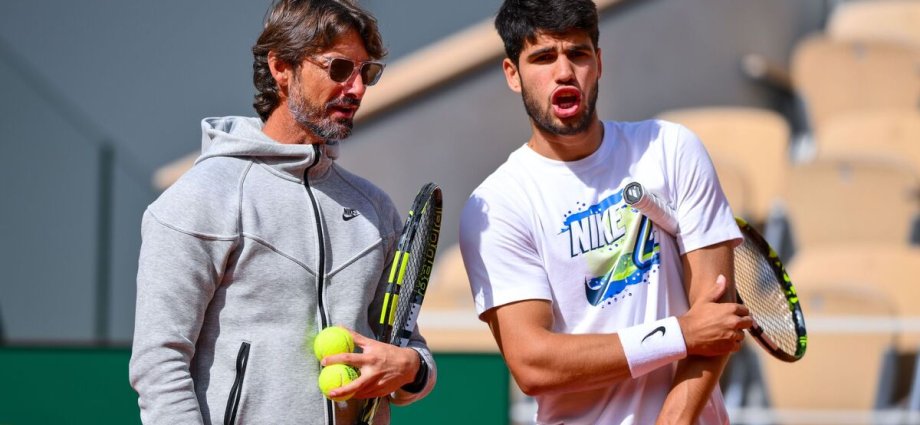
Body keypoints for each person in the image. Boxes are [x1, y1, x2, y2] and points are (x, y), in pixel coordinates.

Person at [129, 1, 435, 424]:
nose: (357, 89)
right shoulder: (201, 198)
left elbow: (406, 344)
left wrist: (413, 369)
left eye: (366, 72)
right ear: (281, 67)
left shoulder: (374, 208)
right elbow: (158, 365)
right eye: (339, 68)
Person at [458, 1, 754, 424]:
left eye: (577, 54)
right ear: (513, 73)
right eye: (543, 57)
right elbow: (534, 364)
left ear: (598, 62)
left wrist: (673, 418)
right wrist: (680, 334)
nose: (564, 72)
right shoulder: (498, 204)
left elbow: (716, 319)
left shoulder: (670, 149)